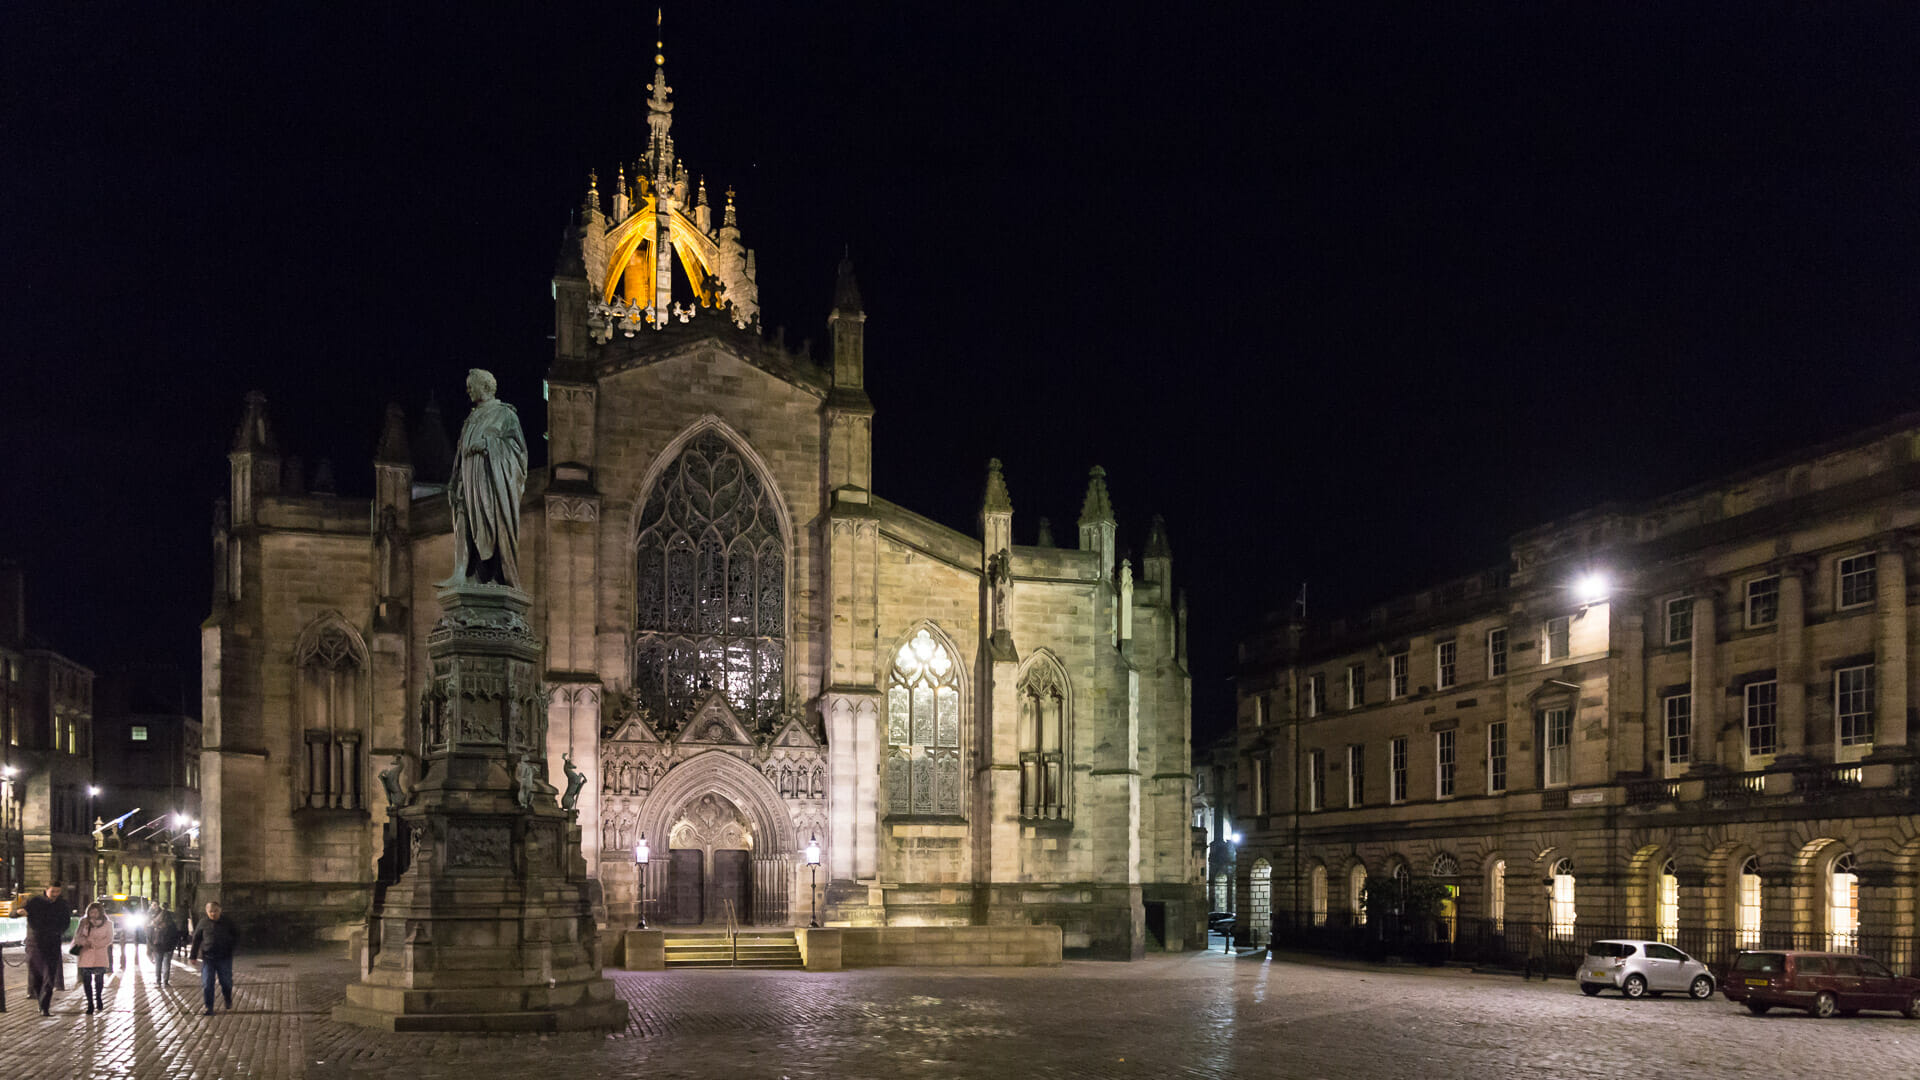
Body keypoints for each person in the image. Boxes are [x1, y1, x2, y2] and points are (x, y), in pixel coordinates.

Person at [445, 368, 528, 588]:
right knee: (466, 524)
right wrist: (457, 480)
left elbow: (518, 452)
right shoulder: (471, 418)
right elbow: (460, 453)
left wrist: (488, 446)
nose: (468, 390)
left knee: (491, 525)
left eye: (471, 385)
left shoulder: (505, 414)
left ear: (486, 387)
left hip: (491, 484)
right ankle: (464, 572)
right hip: (468, 482)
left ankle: (493, 574)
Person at [21, 882, 73, 1016]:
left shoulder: (62, 905)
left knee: (50, 976)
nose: (55, 895)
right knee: (36, 976)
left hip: (52, 943)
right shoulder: (36, 902)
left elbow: (66, 922)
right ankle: (40, 1000)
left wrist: (58, 932)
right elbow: (16, 912)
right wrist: (19, 912)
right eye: (53, 892)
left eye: (58, 892)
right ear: (46, 890)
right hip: (35, 943)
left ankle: (45, 1006)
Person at [189, 900, 239, 1015]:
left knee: (226, 981)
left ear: (220, 910)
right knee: (207, 983)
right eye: (210, 911)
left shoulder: (228, 922)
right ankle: (209, 1007)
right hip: (208, 958)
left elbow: (237, 935)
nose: (213, 914)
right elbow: (196, 939)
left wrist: (232, 948)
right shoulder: (203, 923)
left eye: (215, 911)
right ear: (207, 912)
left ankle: (227, 998)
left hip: (224, 957)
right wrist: (193, 955)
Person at [72, 901, 115, 1014]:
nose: (93, 914)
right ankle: (90, 1003)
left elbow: (109, 938)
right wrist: (84, 942)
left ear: (100, 912)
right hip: (86, 954)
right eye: (91, 912)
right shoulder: (83, 922)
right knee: (87, 980)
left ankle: (99, 998)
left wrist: (96, 944)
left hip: (100, 954)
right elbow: (77, 936)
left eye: (96, 912)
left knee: (99, 980)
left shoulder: (108, 923)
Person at [148, 906, 180, 986]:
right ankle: (165, 981)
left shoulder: (155, 923)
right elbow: (176, 936)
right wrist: (174, 946)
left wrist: (151, 947)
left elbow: (149, 936)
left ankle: (158, 981)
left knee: (158, 964)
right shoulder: (172, 925)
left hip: (157, 947)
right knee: (167, 964)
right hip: (168, 947)